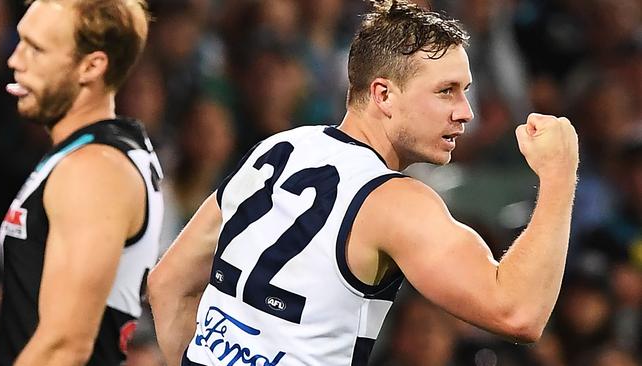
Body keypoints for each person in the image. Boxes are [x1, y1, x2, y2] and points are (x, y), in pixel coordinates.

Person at [148, 1, 578, 365]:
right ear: (383, 95)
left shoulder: (277, 149)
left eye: (465, 90)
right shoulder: (395, 202)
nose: (465, 112)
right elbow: (519, 313)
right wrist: (559, 176)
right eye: (446, 91)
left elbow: (167, 284)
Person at [0, 0, 163, 365]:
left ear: (91, 66)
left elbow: (65, 346)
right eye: (20, 41)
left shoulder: (94, 170)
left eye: (36, 49)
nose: (15, 60)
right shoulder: (89, 155)